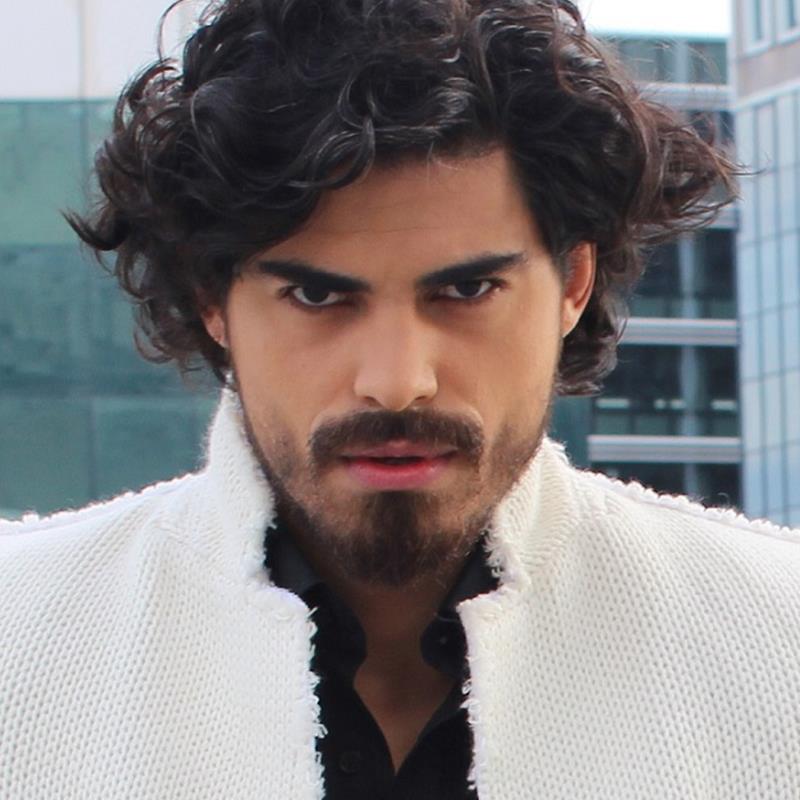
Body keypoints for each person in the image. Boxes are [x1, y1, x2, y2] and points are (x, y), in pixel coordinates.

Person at [2, 0, 799, 797]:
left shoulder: (776, 642)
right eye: (318, 297)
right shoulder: (20, 638)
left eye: (466, 290)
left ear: (573, 285)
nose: (396, 380)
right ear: (213, 299)